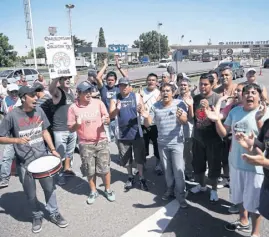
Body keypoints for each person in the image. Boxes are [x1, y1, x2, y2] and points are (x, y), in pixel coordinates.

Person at [0, 86, 68, 233]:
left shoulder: (39, 110)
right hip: (24, 163)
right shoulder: (12, 116)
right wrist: (16, 141)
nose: (36, 98)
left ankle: (54, 213)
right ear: (23, 98)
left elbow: (44, 131)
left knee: (50, 188)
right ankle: (37, 216)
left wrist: (53, 150)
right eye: (32, 95)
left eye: (36, 95)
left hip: (42, 158)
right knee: (30, 194)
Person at [206, 83, 268, 236]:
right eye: (246, 92)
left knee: (254, 202)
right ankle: (243, 221)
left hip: (256, 168)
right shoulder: (235, 112)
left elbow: (265, 144)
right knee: (238, 196)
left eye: (253, 92)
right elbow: (223, 133)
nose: (249, 95)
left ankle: (255, 232)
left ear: (259, 96)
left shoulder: (265, 115)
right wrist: (217, 120)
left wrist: (259, 124)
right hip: (235, 163)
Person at [67, 81, 115, 204]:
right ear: (78, 93)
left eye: (90, 91)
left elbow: (108, 119)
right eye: (85, 91)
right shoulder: (73, 108)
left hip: (101, 141)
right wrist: (77, 124)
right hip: (85, 144)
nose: (88, 93)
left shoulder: (98, 103)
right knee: (89, 170)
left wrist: (107, 120)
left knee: (105, 168)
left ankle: (108, 189)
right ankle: (93, 191)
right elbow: (70, 128)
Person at [141, 83, 188, 208]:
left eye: (168, 91)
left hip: (177, 143)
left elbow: (184, 122)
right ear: (160, 93)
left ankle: (182, 196)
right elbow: (148, 124)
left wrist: (181, 117)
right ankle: (170, 190)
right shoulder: (155, 106)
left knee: (179, 170)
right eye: (163, 91)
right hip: (162, 143)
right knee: (167, 170)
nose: (165, 93)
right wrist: (145, 117)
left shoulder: (179, 104)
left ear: (172, 93)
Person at [109, 77, 148, 191]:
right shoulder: (115, 98)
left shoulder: (136, 96)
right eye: (121, 85)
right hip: (122, 134)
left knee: (139, 158)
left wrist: (141, 109)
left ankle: (141, 177)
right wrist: (117, 109)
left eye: (126, 85)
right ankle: (130, 176)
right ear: (118, 87)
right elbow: (111, 115)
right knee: (126, 159)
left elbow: (144, 110)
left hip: (136, 133)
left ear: (130, 86)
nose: (124, 88)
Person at [190, 73, 223, 202]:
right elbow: (192, 118)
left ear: (211, 85)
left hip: (213, 139)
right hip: (198, 138)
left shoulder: (217, 98)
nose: (202, 87)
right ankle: (202, 186)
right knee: (198, 165)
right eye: (200, 84)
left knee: (214, 166)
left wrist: (208, 109)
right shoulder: (196, 98)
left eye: (205, 84)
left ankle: (214, 189)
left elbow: (221, 118)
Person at [49, 76, 77, 185]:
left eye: (69, 78)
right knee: (60, 155)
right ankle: (59, 175)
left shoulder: (71, 92)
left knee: (69, 153)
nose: (68, 80)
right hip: (60, 130)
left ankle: (67, 170)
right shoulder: (58, 92)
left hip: (71, 128)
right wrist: (55, 78)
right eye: (64, 78)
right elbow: (51, 90)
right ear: (59, 81)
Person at [139, 73, 163, 175]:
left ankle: (158, 165)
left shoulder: (159, 93)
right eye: (149, 80)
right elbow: (139, 106)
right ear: (146, 81)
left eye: (153, 80)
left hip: (155, 124)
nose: (151, 82)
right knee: (143, 146)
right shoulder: (141, 93)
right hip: (143, 123)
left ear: (156, 82)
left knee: (157, 145)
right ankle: (142, 166)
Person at [0, 83, 21, 188]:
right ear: (8, 92)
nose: (14, 94)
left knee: (22, 154)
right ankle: (4, 178)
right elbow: (4, 115)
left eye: (16, 91)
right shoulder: (5, 101)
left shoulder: (22, 100)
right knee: (7, 156)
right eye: (11, 92)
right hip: (10, 134)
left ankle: (21, 172)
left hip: (21, 133)